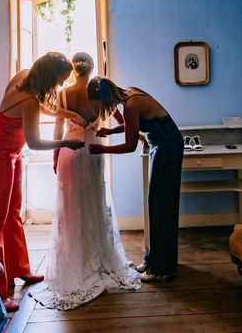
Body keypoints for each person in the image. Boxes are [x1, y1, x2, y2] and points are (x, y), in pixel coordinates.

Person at [0, 52, 86, 312]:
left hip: (11, 155)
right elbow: (36, 142)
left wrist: (69, 113)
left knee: (13, 214)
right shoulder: (28, 100)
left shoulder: (25, 77)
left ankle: (20, 269)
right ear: (48, 77)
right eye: (58, 82)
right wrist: (65, 142)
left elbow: (46, 106)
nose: (58, 86)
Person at [30, 54, 140, 309]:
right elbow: (122, 123)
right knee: (95, 204)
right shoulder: (100, 93)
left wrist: (55, 156)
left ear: (73, 71)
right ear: (90, 70)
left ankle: (74, 264)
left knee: (71, 209)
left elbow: (58, 131)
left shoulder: (64, 94)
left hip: (70, 151)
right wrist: (103, 130)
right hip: (95, 151)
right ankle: (99, 259)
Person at [87, 77, 184, 281]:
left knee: (162, 204)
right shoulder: (129, 93)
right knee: (156, 202)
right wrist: (112, 130)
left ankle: (162, 268)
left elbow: (130, 146)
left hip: (168, 147)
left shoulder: (131, 104)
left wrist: (101, 149)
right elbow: (133, 124)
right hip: (160, 145)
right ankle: (155, 260)